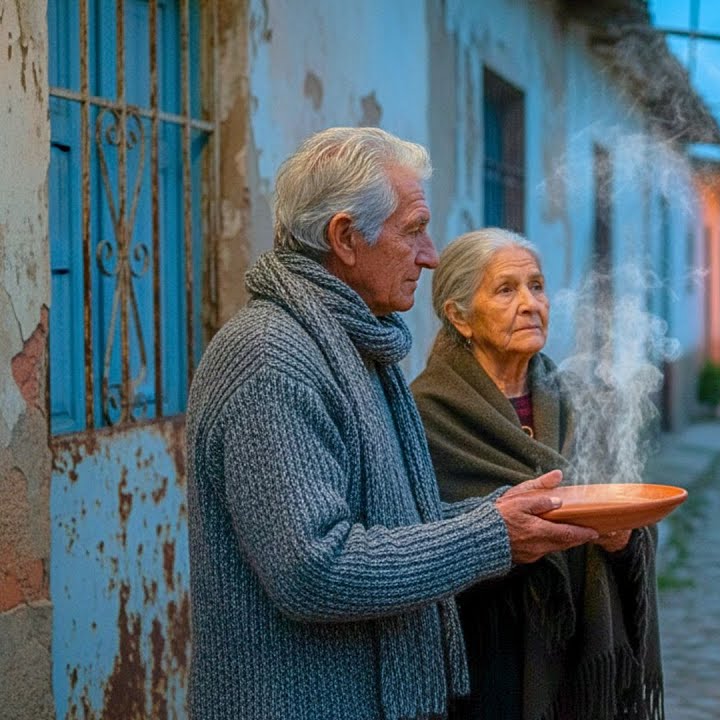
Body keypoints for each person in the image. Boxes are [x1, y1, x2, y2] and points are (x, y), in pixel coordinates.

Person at [185, 127, 599, 720]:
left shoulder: (352, 348)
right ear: (346, 238)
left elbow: (396, 527)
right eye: (414, 230)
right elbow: (314, 569)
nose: (430, 255)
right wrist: (490, 534)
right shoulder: (271, 358)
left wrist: (511, 515)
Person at [410, 227, 664, 720]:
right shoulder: (426, 415)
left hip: (582, 664)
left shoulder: (577, 400)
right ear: (460, 316)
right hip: (485, 663)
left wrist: (623, 538)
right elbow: (419, 547)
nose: (530, 303)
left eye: (538, 286)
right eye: (506, 289)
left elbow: (624, 505)